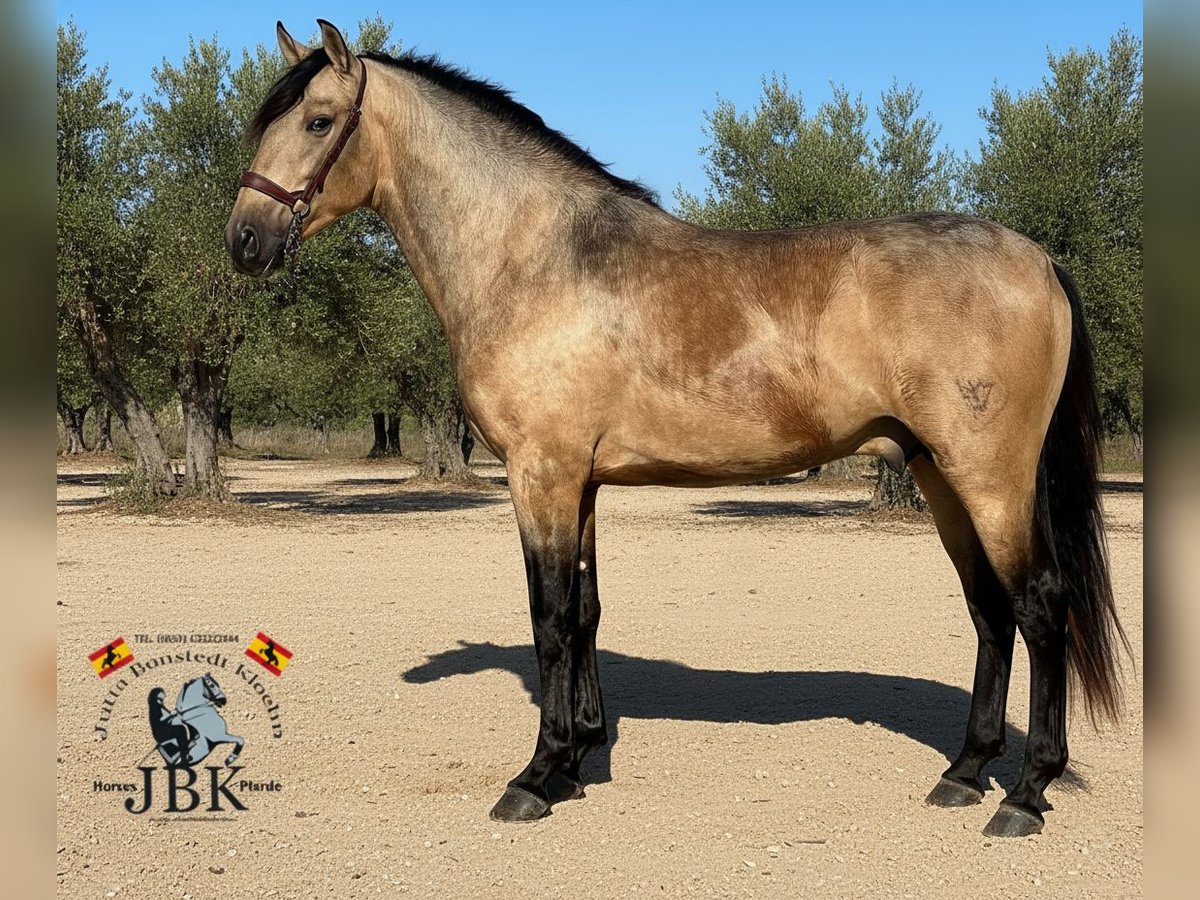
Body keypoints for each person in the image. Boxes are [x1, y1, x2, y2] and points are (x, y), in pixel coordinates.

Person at [147, 688, 193, 766]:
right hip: (160, 732)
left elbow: (166, 717)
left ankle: (185, 750)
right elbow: (160, 720)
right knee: (181, 730)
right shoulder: (154, 707)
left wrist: (174, 714)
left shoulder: (160, 706)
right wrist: (171, 714)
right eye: (160, 698)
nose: (162, 700)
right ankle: (184, 757)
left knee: (182, 726)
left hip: (164, 729)